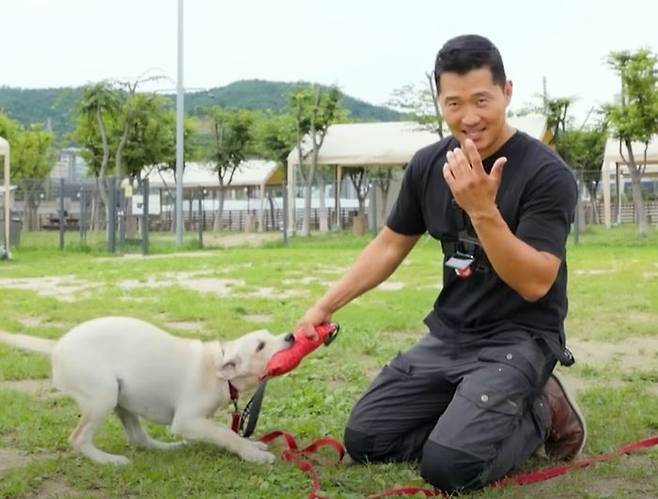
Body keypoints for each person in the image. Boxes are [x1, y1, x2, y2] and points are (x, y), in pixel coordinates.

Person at [296, 34, 586, 493]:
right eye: (454, 103)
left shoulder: (546, 174)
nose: (468, 117)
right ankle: (473, 408)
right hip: (451, 335)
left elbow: (535, 283)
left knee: (450, 469)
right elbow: (390, 245)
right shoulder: (428, 165)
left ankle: (539, 408)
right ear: (439, 102)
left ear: (507, 92)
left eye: (481, 100)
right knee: (367, 439)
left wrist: (482, 211)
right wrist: (324, 306)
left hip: (521, 336)